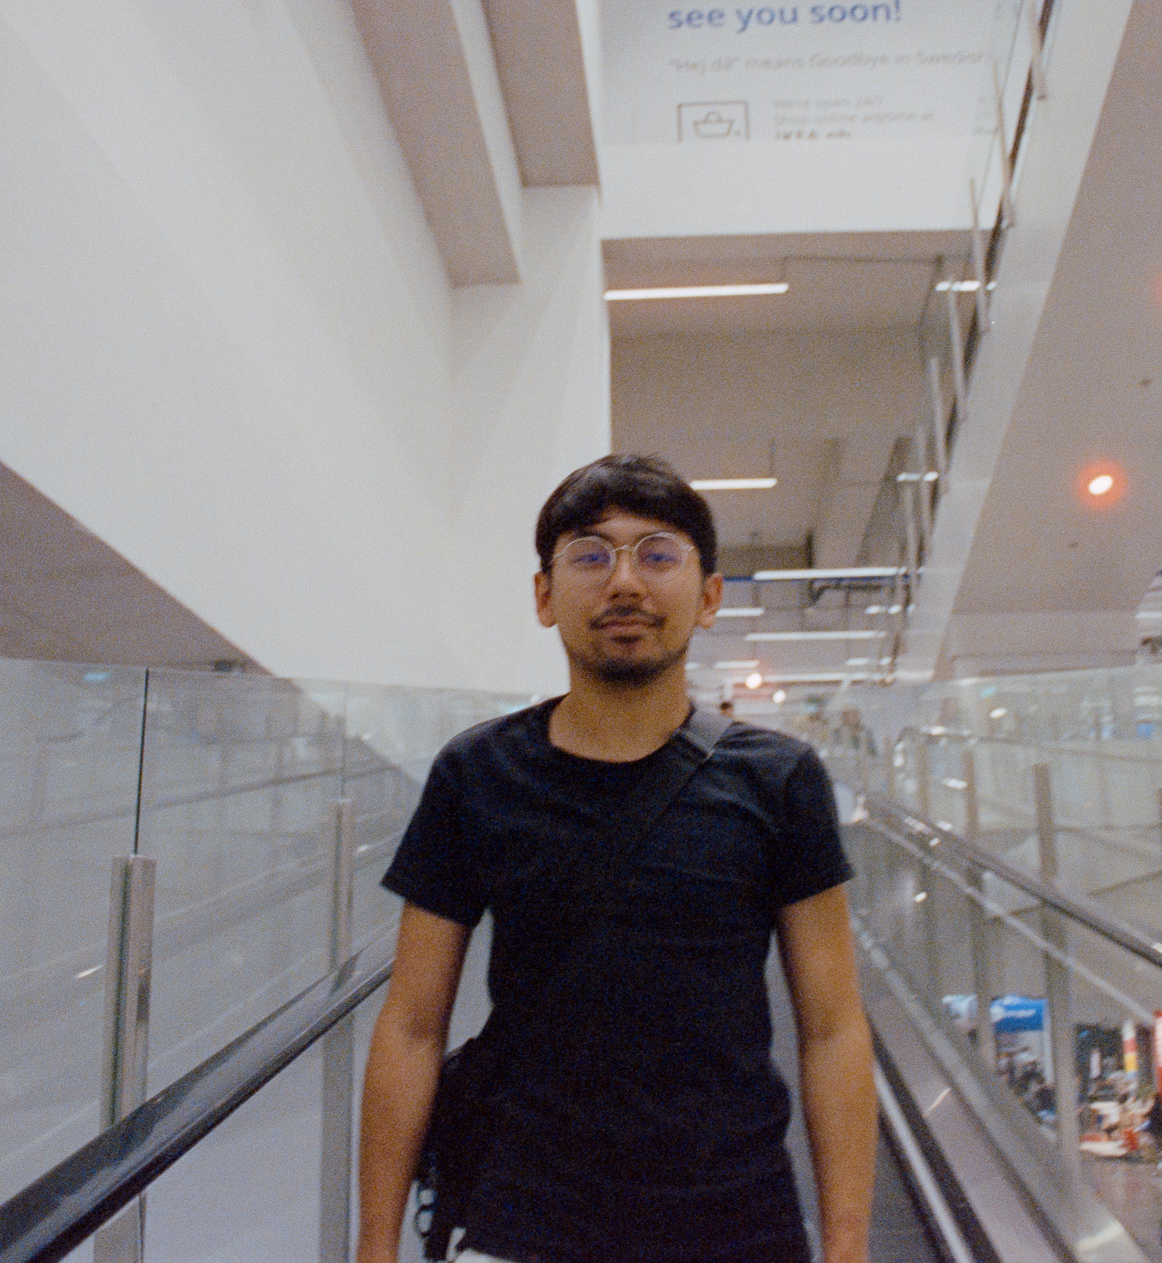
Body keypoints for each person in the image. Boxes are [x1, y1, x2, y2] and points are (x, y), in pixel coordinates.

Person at [356, 454, 877, 1263]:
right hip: (524, 1223)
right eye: (591, 555)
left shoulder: (780, 779)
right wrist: (373, 1248)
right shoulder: (478, 773)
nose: (625, 582)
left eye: (658, 554)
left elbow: (834, 1028)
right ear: (544, 595)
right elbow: (413, 1025)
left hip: (736, 1222)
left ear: (709, 595)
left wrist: (847, 1246)